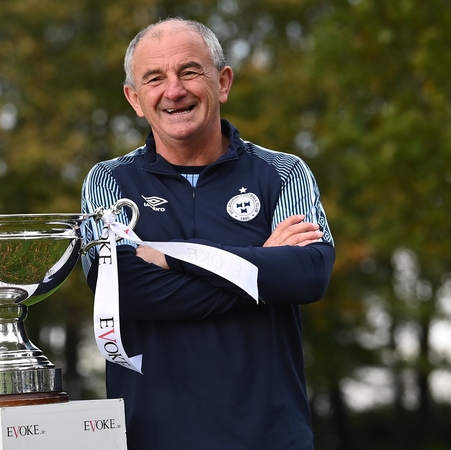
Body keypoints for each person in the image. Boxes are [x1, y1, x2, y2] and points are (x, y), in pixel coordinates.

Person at [80, 17, 335, 450]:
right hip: (149, 438)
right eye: (154, 78)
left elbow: (307, 273)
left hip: (270, 437)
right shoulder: (109, 182)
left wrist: (172, 258)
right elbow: (124, 289)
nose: (173, 90)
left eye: (190, 71)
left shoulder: (283, 172)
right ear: (134, 99)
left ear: (222, 82)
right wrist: (258, 263)